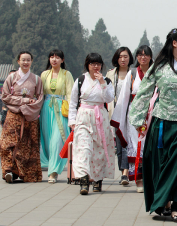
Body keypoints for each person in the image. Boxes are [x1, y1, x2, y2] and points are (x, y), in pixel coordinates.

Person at [129, 28, 177, 222]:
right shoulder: (159, 67)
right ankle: (162, 203)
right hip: (161, 124)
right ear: (174, 43)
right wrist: (138, 120)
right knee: (160, 164)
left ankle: (176, 207)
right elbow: (144, 93)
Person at [68, 53, 115, 195]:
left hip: (100, 116)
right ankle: (83, 180)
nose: (95, 66)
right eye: (92, 64)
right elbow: (73, 102)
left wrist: (102, 84)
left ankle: (97, 180)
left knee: (99, 150)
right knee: (84, 149)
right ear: (87, 65)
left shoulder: (106, 81)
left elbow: (109, 98)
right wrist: (72, 120)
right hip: (84, 116)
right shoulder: (81, 80)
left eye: (98, 64)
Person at [110, 45, 152, 193]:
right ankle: (138, 179)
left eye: (146, 55)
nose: (143, 57)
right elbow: (123, 97)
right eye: (140, 55)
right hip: (134, 114)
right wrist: (120, 116)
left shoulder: (156, 73)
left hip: (151, 113)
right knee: (135, 145)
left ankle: (150, 178)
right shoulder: (132, 73)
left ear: (151, 57)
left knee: (149, 145)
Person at [0, 51, 44, 183]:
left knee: (28, 146)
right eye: (23, 60)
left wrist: (30, 107)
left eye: (28, 60)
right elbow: (5, 96)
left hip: (29, 117)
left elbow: (40, 98)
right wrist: (22, 102)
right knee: (8, 143)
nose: (25, 62)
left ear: (31, 62)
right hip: (14, 115)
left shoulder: (36, 79)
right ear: (18, 61)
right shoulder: (11, 77)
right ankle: (9, 171)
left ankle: (27, 174)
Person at [40, 50, 74, 183]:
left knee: (57, 140)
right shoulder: (44, 74)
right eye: (52, 57)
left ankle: (53, 172)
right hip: (46, 109)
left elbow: (71, 94)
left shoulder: (66, 74)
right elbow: (39, 93)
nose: (54, 59)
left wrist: (72, 114)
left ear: (62, 60)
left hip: (60, 109)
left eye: (57, 57)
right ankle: (51, 165)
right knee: (48, 141)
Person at [106, 47, 134, 186]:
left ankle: (125, 173)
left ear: (130, 58)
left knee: (126, 143)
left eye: (126, 56)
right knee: (118, 144)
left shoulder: (133, 73)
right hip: (115, 112)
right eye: (120, 56)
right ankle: (122, 169)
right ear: (116, 58)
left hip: (129, 112)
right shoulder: (110, 75)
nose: (123, 59)